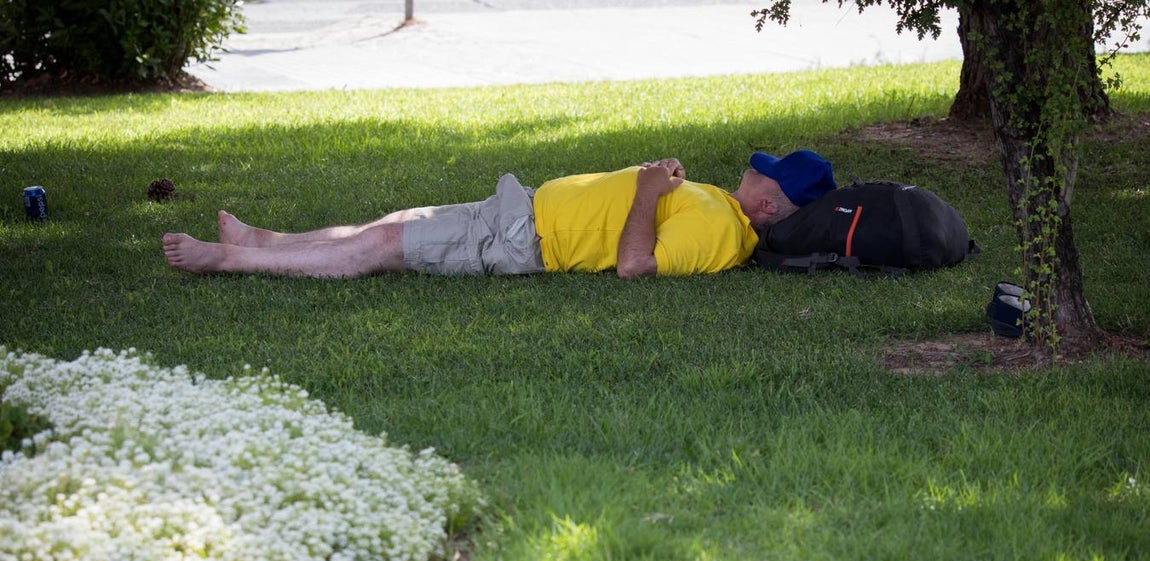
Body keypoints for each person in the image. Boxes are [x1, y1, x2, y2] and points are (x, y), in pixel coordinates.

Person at [162, 149, 836, 280]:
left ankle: (230, 259)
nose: (753, 166)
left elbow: (636, 266)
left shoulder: (723, 233)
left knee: (386, 243)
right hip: (524, 208)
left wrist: (646, 190)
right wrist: (659, 179)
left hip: (525, 238)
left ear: (768, 201)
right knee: (393, 218)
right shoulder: (723, 206)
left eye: (763, 170)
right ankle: (269, 240)